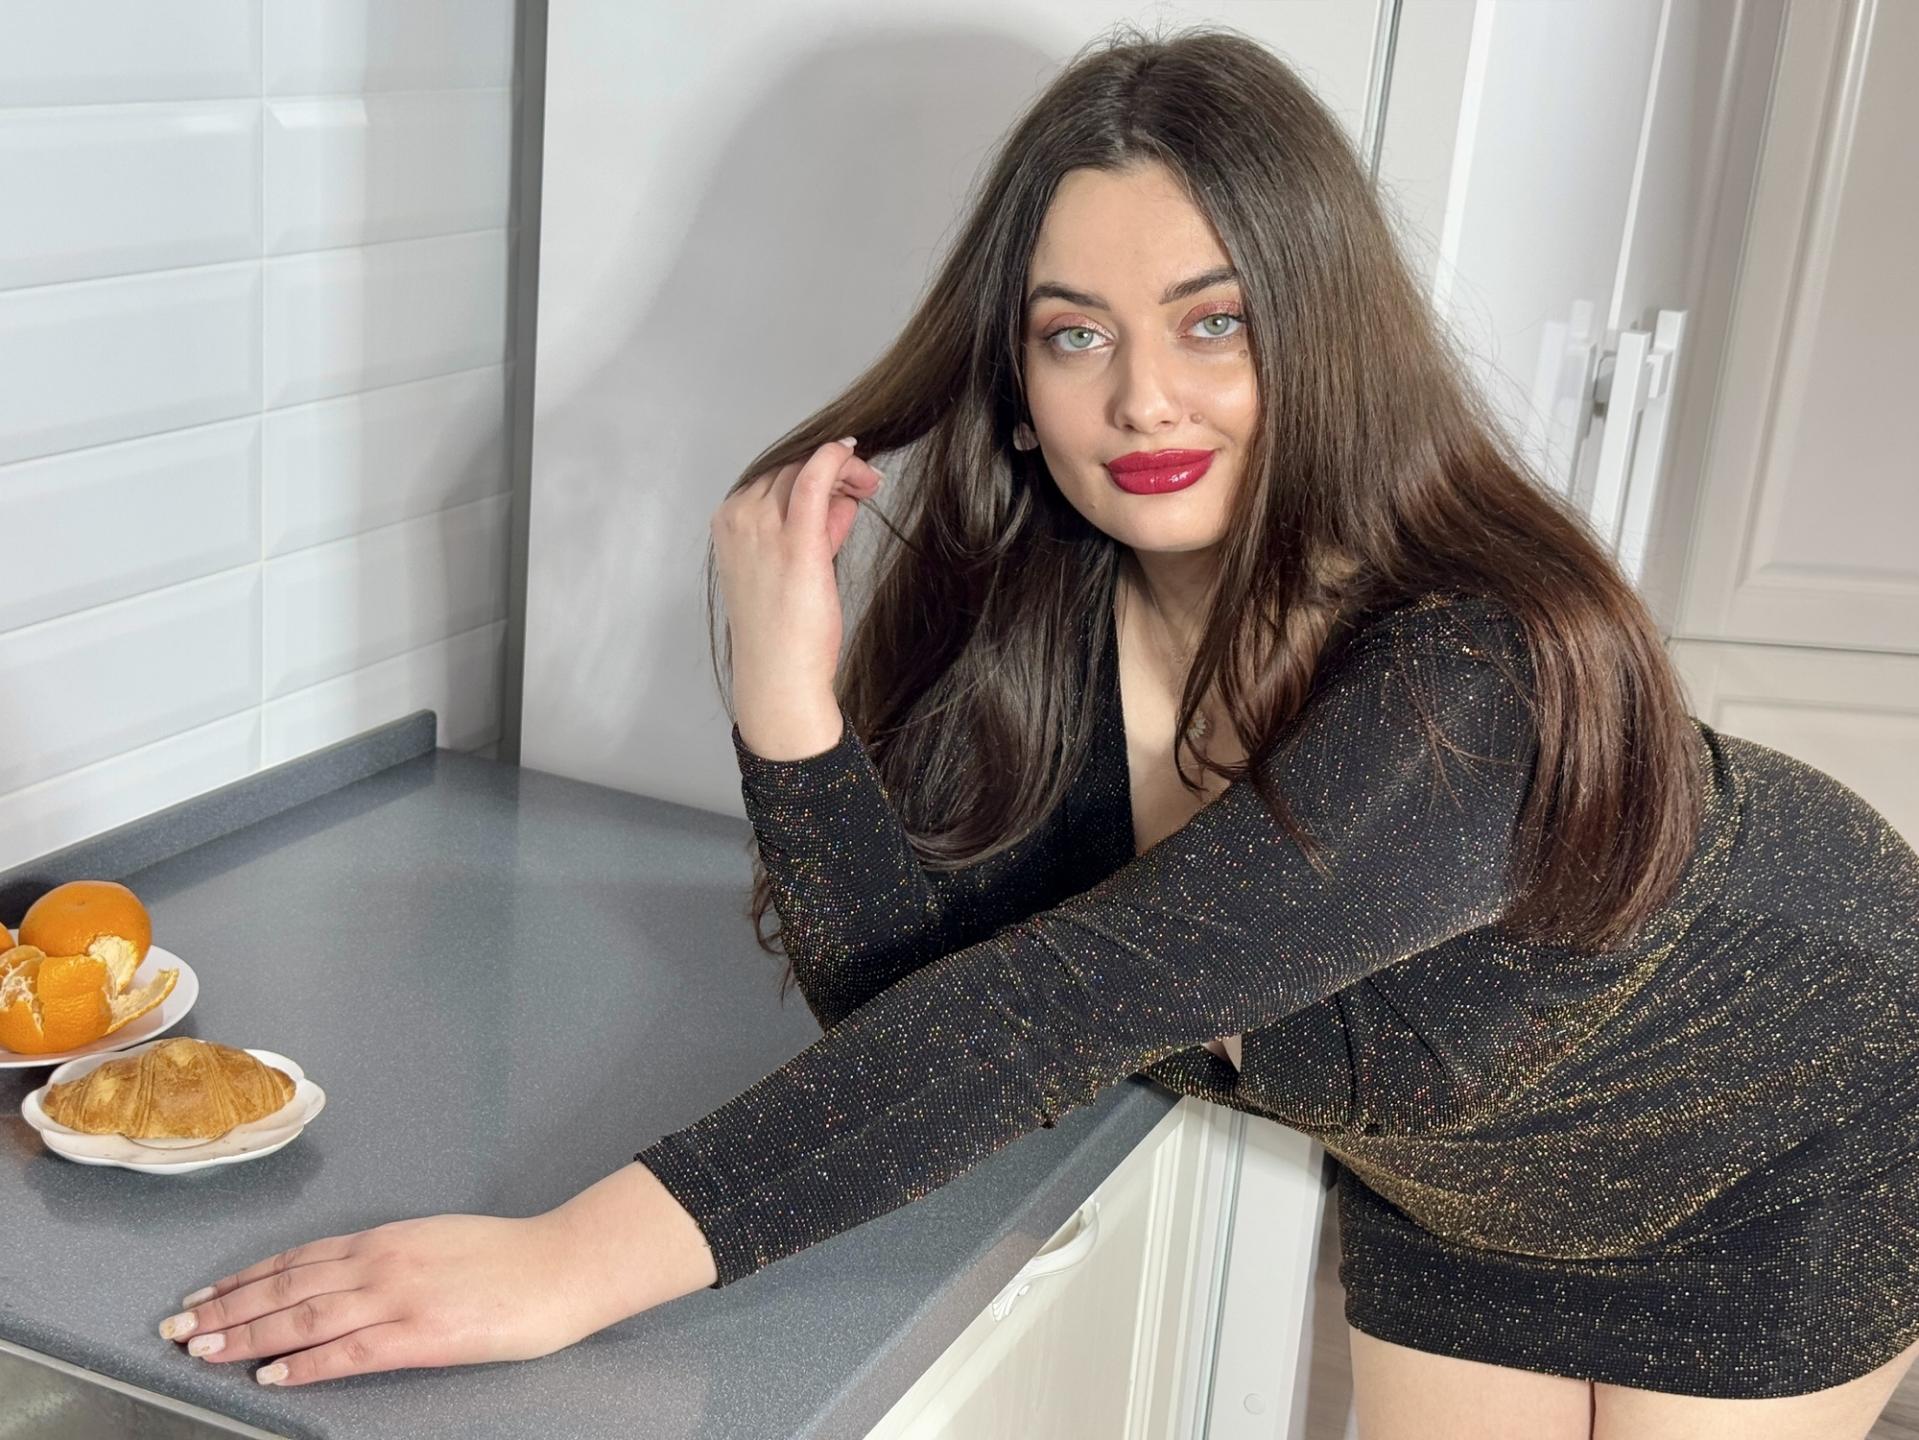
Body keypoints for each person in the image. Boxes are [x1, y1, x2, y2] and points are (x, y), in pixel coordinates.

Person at [155, 23, 1919, 1437]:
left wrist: (567, 1264)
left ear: (1323, 333)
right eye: (1075, 336)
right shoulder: (1057, 640)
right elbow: (906, 1006)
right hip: (1469, 1189)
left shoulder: (1468, 678)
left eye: (1214, 322)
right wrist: (785, 701)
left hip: (1792, 1133)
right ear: (1014, 378)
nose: (1142, 398)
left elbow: (1051, 1012)